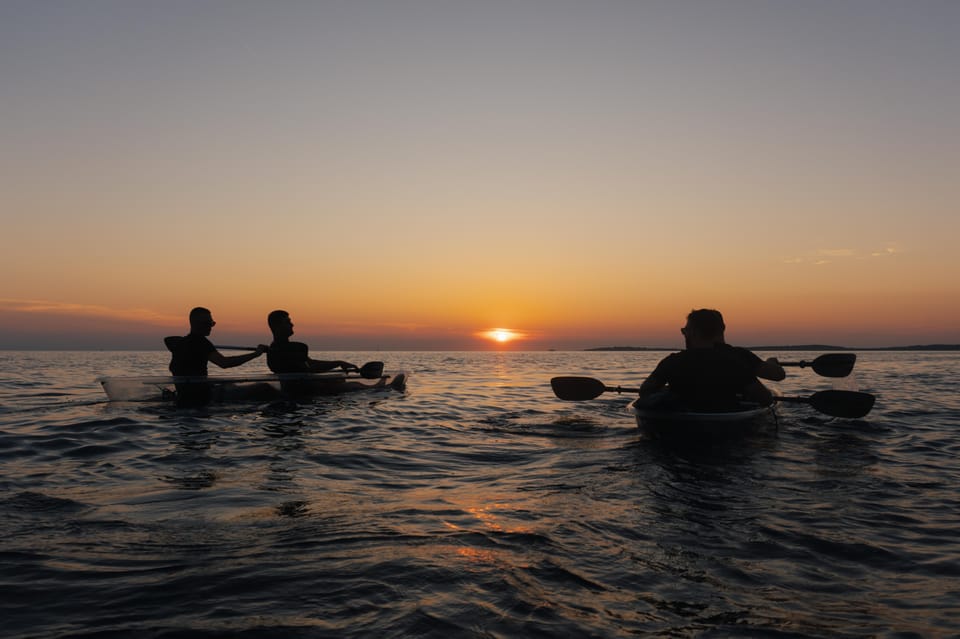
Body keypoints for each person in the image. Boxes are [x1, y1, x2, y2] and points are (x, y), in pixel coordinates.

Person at [639, 309, 785, 410]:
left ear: (694, 333)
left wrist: (668, 390)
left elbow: (645, 391)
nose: (684, 334)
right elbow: (766, 398)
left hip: (682, 423)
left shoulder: (672, 362)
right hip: (726, 425)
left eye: (685, 331)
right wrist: (771, 363)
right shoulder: (735, 360)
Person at [167, 307, 269, 406]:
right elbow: (224, 363)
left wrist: (184, 342)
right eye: (208, 323)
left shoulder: (181, 344)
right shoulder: (202, 343)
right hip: (202, 397)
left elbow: (167, 340)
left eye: (212, 323)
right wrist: (256, 354)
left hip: (185, 395)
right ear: (195, 324)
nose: (211, 326)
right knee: (265, 388)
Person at [266, 310, 358, 374]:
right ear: (276, 326)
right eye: (287, 322)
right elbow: (311, 367)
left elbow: (309, 363)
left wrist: (339, 363)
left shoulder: (274, 348)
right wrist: (339, 363)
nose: (292, 324)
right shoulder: (297, 347)